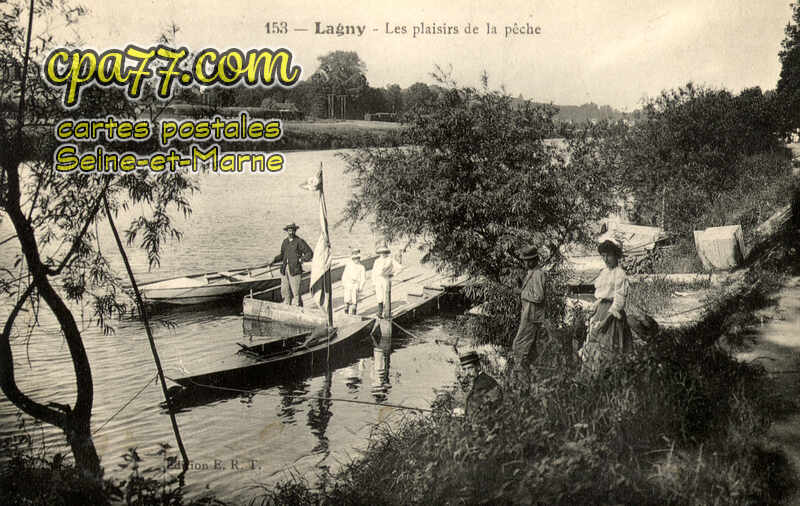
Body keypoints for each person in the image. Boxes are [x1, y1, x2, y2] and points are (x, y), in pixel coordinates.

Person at [578, 237, 633, 371]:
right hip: (601, 310)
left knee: (609, 346)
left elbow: (618, 302)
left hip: (612, 315)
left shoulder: (620, 274)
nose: (606, 259)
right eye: (603, 256)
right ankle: (593, 375)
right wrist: (593, 310)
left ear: (616, 256)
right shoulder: (604, 273)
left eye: (609, 255)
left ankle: (609, 375)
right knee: (593, 343)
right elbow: (601, 296)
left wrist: (604, 322)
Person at [511, 245, 548, 370]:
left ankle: (520, 371)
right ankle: (527, 371)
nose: (525, 263)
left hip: (532, 317)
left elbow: (539, 297)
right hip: (528, 315)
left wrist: (521, 292)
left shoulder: (538, 274)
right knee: (528, 346)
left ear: (533, 260)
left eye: (527, 261)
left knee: (519, 345)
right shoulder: (531, 273)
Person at [272, 223, 313, 307]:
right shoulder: (285, 242)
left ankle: (299, 308)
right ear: (287, 231)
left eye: (292, 230)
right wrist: (274, 260)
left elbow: (309, 253)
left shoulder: (299, 241)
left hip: (295, 270)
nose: (290, 232)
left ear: (295, 231)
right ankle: (287, 306)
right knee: (285, 291)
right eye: (289, 230)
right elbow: (282, 255)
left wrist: (301, 259)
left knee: (296, 292)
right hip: (284, 269)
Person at [458, 351, 502, 417]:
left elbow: (476, 411)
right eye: (464, 369)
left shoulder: (484, 383)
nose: (467, 373)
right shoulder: (480, 380)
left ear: (478, 367)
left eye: (470, 368)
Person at [372, 242, 403, 319]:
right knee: (379, 295)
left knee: (386, 294)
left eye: (384, 252)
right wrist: (373, 283)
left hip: (386, 279)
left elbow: (400, 268)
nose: (383, 254)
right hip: (378, 279)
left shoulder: (390, 260)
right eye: (381, 252)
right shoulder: (377, 261)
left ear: (387, 252)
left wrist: (393, 274)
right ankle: (380, 312)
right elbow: (373, 272)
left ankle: (387, 312)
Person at [342, 249, 367, 315]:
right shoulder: (348, 266)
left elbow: (363, 278)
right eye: (355, 259)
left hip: (356, 285)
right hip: (348, 284)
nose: (356, 260)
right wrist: (344, 283)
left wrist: (361, 287)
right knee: (347, 299)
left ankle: (354, 313)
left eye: (358, 258)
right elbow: (344, 275)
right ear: (352, 259)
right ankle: (346, 313)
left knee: (354, 299)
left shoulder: (361, 267)